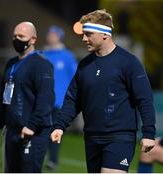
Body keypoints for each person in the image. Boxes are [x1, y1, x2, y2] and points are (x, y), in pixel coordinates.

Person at [51, 9, 156, 173]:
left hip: (120, 137)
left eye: (89, 34)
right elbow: (73, 99)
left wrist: (148, 133)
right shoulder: (85, 65)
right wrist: (59, 126)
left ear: (105, 35)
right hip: (92, 138)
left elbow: (145, 99)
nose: (84, 38)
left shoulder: (128, 62)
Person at [0, 21, 55, 173]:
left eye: (21, 36)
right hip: (12, 131)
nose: (16, 39)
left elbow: (46, 99)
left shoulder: (41, 64)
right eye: (14, 36)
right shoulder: (11, 64)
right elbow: (4, 98)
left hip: (32, 133)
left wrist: (32, 125)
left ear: (33, 39)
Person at [40, 25, 77, 170]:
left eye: (54, 34)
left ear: (60, 37)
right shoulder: (41, 54)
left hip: (59, 102)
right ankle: (38, 157)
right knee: (40, 131)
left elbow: (75, 78)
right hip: (42, 101)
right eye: (49, 34)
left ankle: (53, 160)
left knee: (54, 132)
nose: (51, 37)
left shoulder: (67, 56)